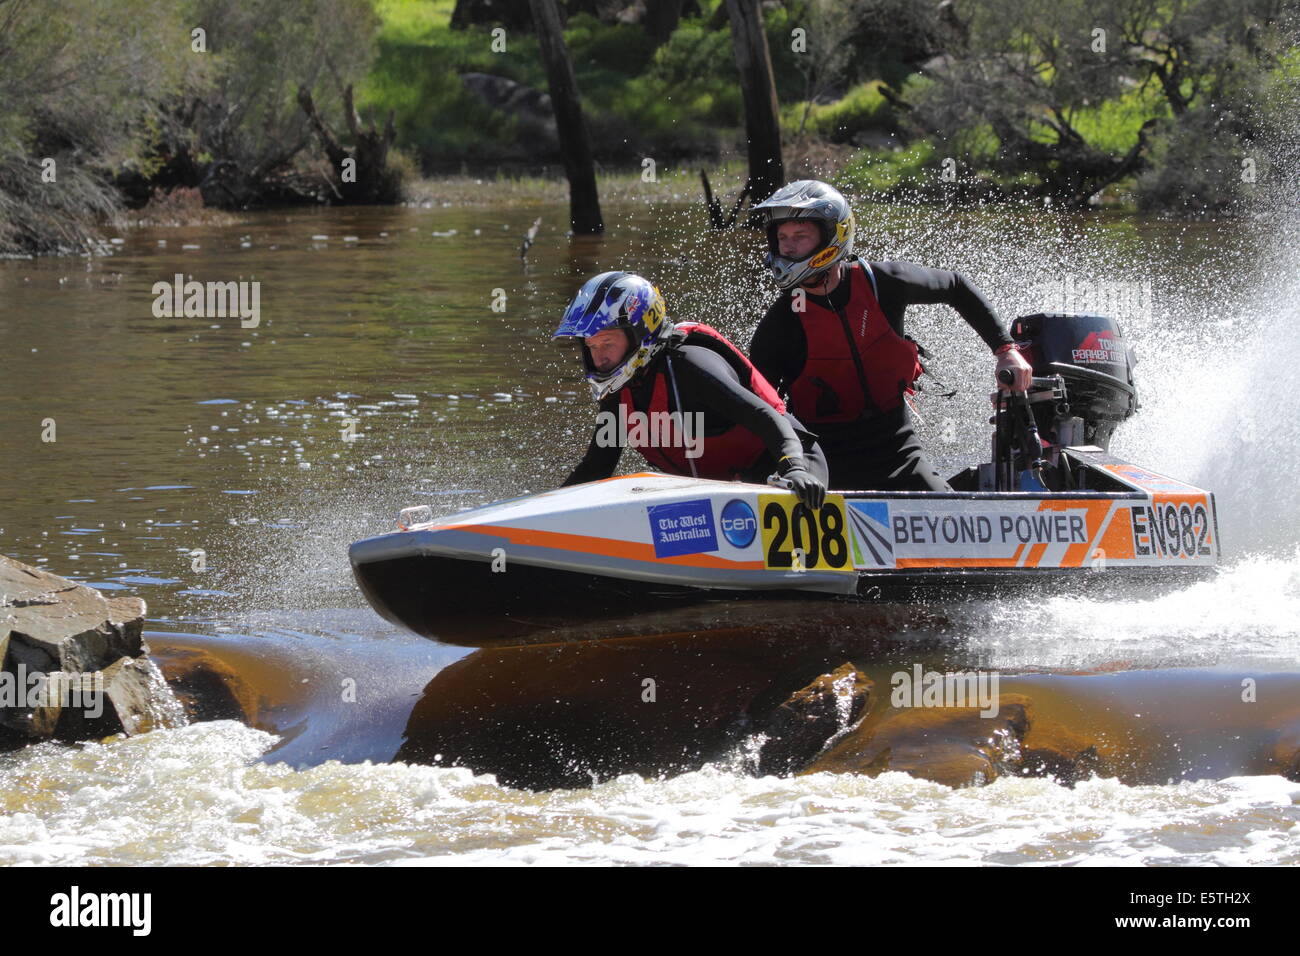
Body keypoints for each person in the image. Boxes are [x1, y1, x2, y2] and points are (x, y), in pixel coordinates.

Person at [748, 180, 1033, 492]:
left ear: (833, 235)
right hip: (823, 461)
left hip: (898, 450)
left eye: (800, 236)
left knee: (954, 516)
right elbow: (760, 411)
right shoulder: (779, 326)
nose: (787, 247)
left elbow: (955, 286)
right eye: (782, 237)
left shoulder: (882, 282)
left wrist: (1006, 350)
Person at [555, 271, 828, 509]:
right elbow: (597, 467)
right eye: (591, 347)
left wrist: (794, 469)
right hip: (726, 493)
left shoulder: (689, 365)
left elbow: (767, 417)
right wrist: (548, 509)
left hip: (793, 468)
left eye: (606, 343)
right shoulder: (619, 393)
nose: (599, 358)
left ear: (640, 332)